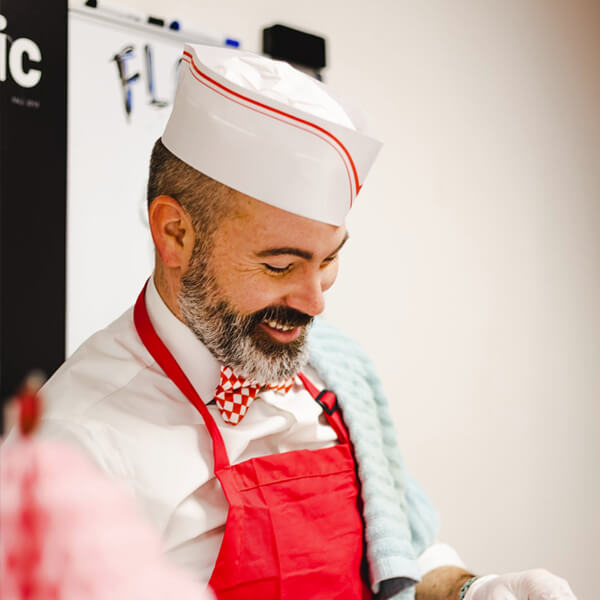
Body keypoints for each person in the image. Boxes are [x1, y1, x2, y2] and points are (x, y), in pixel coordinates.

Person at [24, 44, 575, 599]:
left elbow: (400, 554)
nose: (315, 303)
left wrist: (472, 591)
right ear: (175, 234)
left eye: (329, 260)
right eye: (280, 264)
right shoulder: (74, 453)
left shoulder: (335, 371)